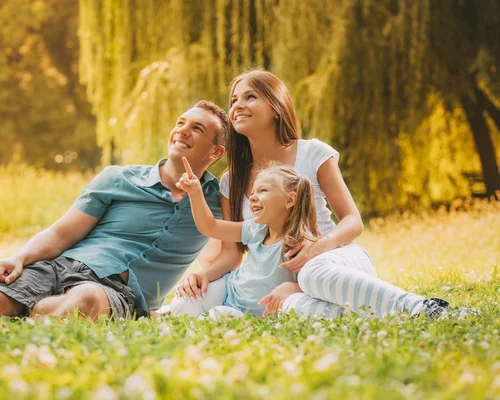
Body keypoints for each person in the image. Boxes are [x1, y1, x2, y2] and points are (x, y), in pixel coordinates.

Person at [0, 101, 228, 325]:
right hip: (61, 267)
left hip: (116, 291)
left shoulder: (219, 199)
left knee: (85, 301)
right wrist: (19, 258)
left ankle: (21, 310)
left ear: (216, 152)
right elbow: (61, 233)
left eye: (197, 129)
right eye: (180, 123)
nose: (182, 130)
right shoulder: (119, 178)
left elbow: (247, 228)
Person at [173, 70, 458, 319]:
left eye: (250, 97)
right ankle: (348, 309)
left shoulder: (312, 153)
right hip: (279, 278)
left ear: (276, 107)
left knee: (311, 275)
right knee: (197, 300)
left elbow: (352, 221)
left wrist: (321, 245)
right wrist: (202, 276)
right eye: (234, 100)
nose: (238, 106)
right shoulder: (232, 181)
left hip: (333, 261)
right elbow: (231, 255)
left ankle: (423, 308)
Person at [171, 161, 318, 319]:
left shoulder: (303, 245)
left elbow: (317, 285)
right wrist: (195, 193)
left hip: (253, 314)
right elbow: (210, 226)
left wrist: (293, 287)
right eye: (253, 192)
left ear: (289, 200)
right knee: (181, 304)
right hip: (230, 289)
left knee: (216, 316)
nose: (253, 197)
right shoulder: (256, 228)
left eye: (262, 190)